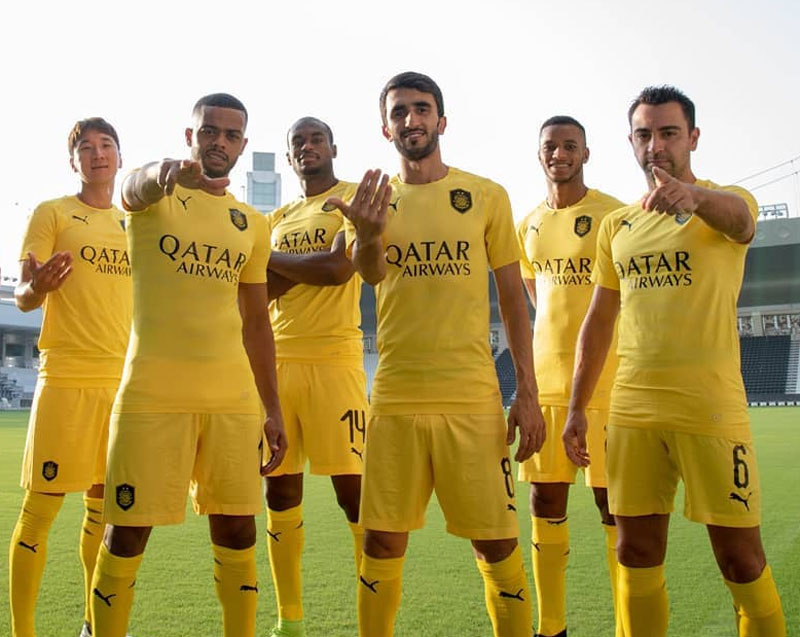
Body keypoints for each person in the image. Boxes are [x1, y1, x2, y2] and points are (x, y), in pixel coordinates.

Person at [563, 85, 786, 636]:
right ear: (631, 142)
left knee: (740, 559)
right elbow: (599, 321)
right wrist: (576, 407)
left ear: (693, 138)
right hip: (633, 411)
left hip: (710, 409)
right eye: (644, 134)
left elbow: (741, 222)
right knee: (634, 551)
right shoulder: (617, 226)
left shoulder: (724, 201)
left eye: (668, 133)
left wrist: (694, 198)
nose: (655, 145)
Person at [330, 71, 546, 637]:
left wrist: (527, 391)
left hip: (471, 398)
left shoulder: (486, 195)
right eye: (399, 112)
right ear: (386, 128)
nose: (412, 120)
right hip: (396, 398)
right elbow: (369, 274)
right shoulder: (372, 199)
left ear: (441, 121)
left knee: (496, 543)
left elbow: (513, 298)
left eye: (422, 109)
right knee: (380, 542)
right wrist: (369, 233)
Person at [89, 93, 287, 637]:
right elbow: (133, 187)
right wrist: (163, 174)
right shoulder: (154, 197)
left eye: (230, 135)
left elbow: (256, 324)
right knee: (126, 533)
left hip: (232, 400)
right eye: (208, 132)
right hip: (152, 396)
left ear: (243, 145)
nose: (218, 142)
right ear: (190, 136)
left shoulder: (252, 223)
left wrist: (272, 409)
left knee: (238, 533)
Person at [9, 117, 131, 637]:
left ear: (120, 157)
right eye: (86, 147)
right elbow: (23, 296)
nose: (97, 153)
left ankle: (92, 624)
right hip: (66, 378)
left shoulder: (134, 225)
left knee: (103, 512)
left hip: (122, 385)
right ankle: (23, 631)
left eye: (106, 145)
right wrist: (36, 288)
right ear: (73, 160)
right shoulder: (53, 212)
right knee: (40, 511)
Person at [517, 115, 624, 637]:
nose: (558, 154)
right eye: (550, 146)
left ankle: (629, 625)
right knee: (545, 500)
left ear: (586, 153)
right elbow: (537, 298)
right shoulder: (528, 224)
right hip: (547, 384)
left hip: (608, 386)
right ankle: (551, 627)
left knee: (615, 507)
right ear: (538, 154)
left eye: (569, 146)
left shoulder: (613, 216)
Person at [264, 117, 367, 637]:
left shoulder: (353, 199)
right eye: (298, 142)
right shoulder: (275, 217)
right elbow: (258, 291)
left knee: (356, 495)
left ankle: (372, 619)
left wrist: (272, 261)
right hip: (277, 363)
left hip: (335, 362)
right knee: (280, 494)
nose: (307, 147)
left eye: (316, 139)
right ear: (289, 157)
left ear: (333, 147)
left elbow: (338, 270)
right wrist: (302, 264)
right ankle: (290, 621)